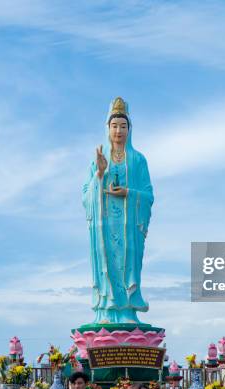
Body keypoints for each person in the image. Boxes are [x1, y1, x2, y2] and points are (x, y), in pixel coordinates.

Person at [83, 96, 154, 324]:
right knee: (106, 262)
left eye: (123, 126)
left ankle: (127, 311)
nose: (119, 131)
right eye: (114, 126)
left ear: (129, 129)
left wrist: (128, 193)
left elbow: (149, 194)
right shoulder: (98, 157)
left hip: (129, 225)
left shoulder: (138, 160)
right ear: (108, 128)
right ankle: (105, 311)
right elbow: (86, 194)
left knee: (128, 263)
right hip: (105, 225)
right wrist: (100, 174)